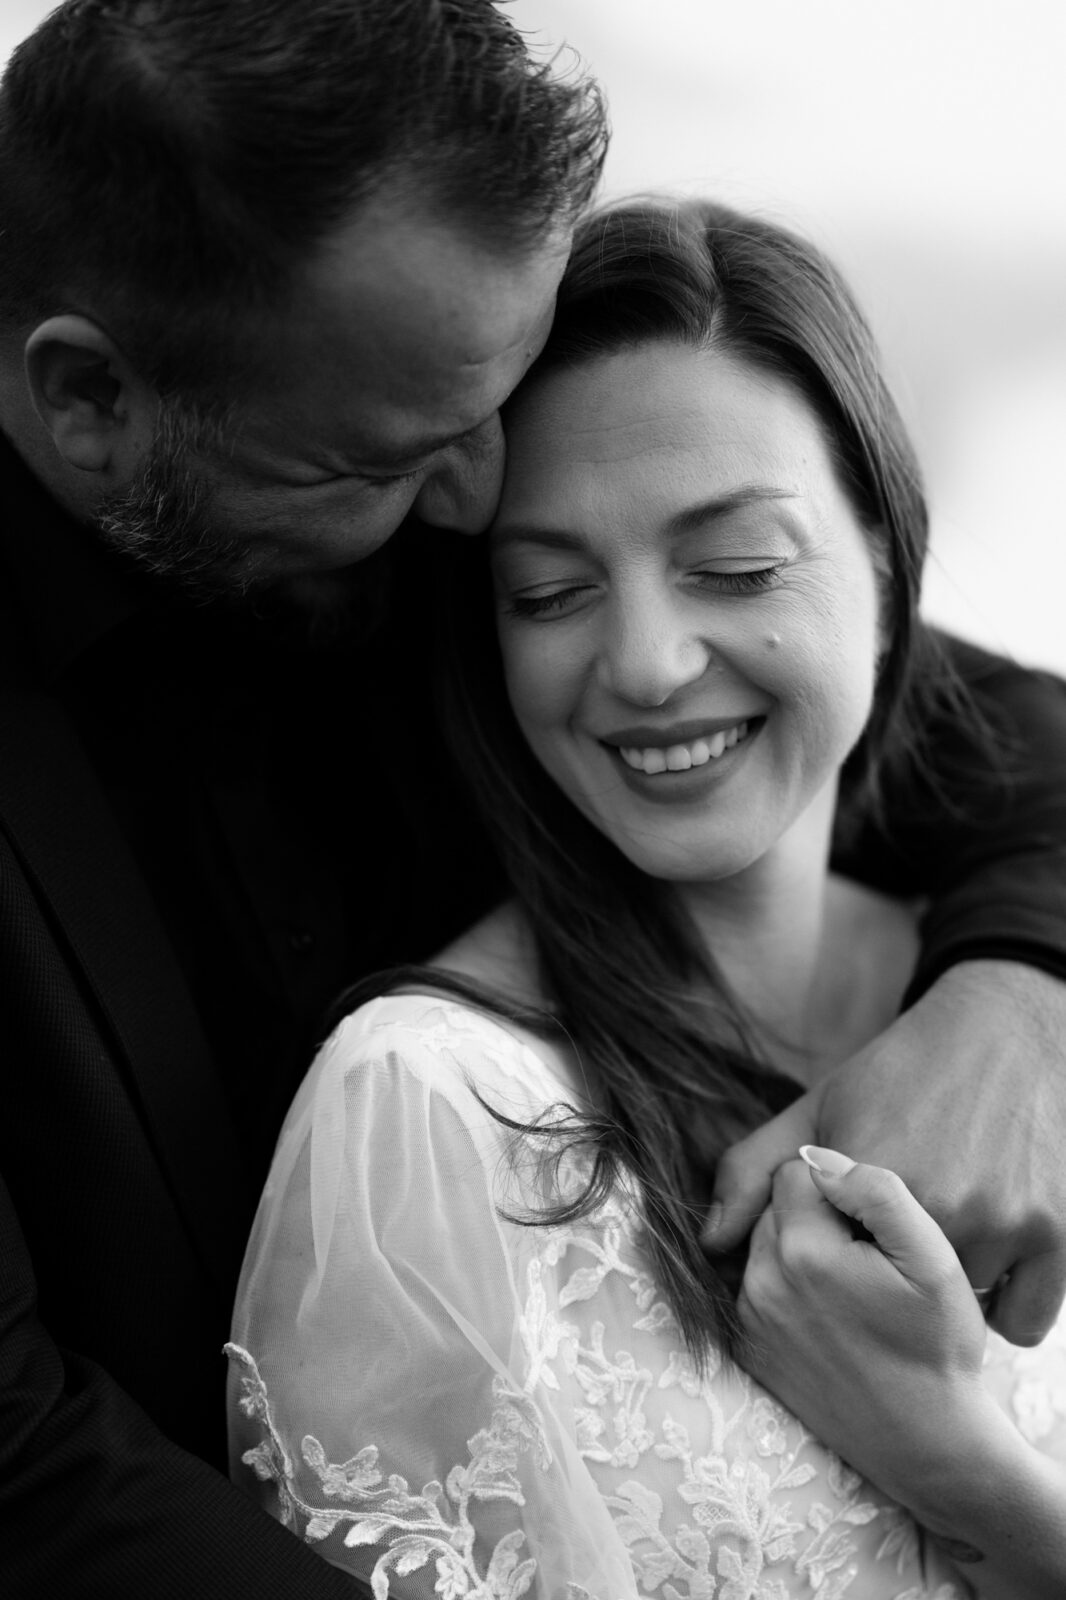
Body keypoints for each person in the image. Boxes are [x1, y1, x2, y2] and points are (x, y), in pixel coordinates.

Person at [0, 0, 1064, 1592]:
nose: (486, 498)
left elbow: (945, 709)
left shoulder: (416, 448)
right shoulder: (421, 1083)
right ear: (90, 405)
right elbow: (17, 1467)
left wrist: (1018, 989)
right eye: (400, 460)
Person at [228, 199, 1066, 1599]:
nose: (648, 664)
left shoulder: (1020, 1033)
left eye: (733, 567)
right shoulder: (431, 1111)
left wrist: (957, 1467)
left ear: (882, 558)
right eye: (549, 594)